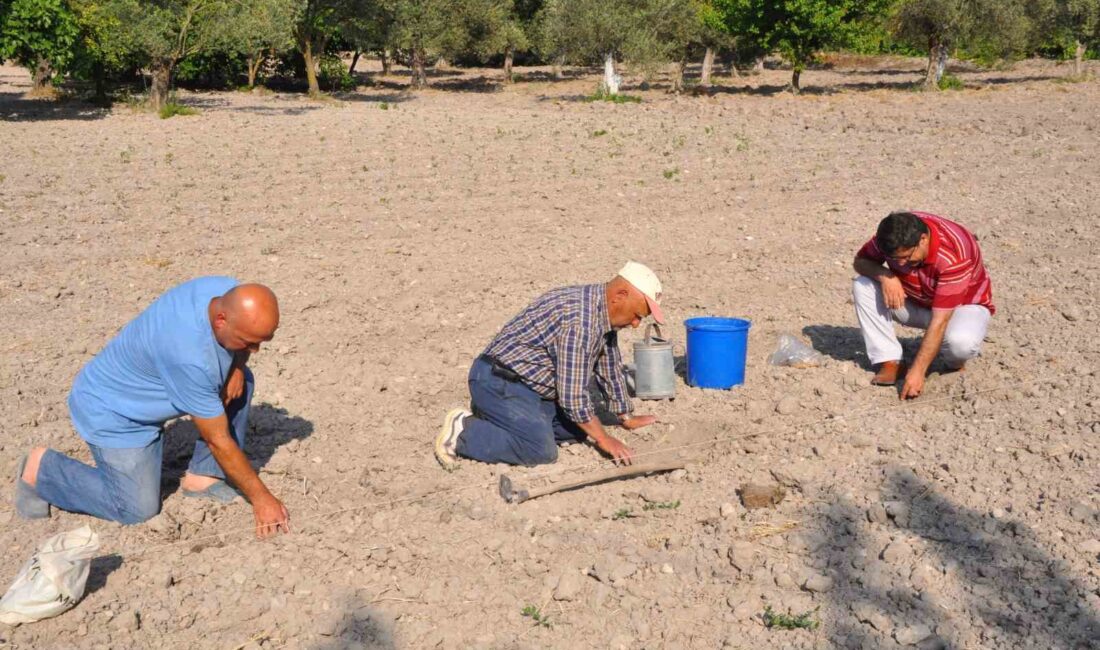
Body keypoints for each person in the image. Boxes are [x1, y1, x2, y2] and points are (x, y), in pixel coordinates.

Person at [13, 278, 291, 539]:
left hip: (151, 389)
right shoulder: (189, 357)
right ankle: (43, 470)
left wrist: (237, 365)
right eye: (248, 342)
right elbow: (217, 439)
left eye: (261, 341)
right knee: (137, 509)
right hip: (115, 414)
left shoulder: (224, 290)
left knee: (239, 381)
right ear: (221, 321)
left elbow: (234, 356)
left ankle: (203, 477)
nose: (255, 350)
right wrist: (261, 499)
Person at [435, 262, 665, 468]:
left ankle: (498, 417)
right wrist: (605, 439)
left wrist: (625, 416)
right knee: (540, 450)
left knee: (575, 429)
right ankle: (462, 431)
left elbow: (609, 364)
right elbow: (572, 397)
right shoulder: (579, 321)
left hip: (527, 387)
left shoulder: (599, 309)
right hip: (498, 380)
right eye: (636, 315)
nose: (635, 324)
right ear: (619, 295)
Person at [852, 211, 994, 400]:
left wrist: (918, 371)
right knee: (863, 285)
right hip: (914, 300)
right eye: (895, 258)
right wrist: (886, 276)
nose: (901, 263)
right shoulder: (891, 236)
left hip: (960, 308)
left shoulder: (954, 256)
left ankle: (953, 363)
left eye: (906, 257)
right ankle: (890, 360)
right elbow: (860, 262)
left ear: (923, 239)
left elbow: (940, 320)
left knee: (961, 344)